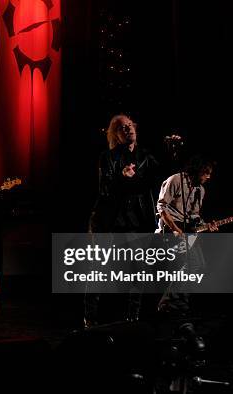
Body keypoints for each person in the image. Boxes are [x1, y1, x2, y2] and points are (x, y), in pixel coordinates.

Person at [86, 115, 159, 324]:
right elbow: (104, 189)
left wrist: (173, 152)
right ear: (116, 135)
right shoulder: (108, 157)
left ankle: (133, 317)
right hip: (110, 221)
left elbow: (158, 179)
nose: (128, 129)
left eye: (130, 125)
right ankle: (90, 318)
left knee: (138, 271)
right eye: (122, 128)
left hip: (136, 221)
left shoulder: (146, 157)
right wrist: (122, 177)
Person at [155, 155, 218, 351]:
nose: (208, 177)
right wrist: (174, 228)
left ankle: (175, 303)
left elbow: (194, 216)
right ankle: (171, 304)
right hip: (171, 231)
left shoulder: (201, 190)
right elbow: (161, 207)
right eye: (206, 172)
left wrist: (208, 225)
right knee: (187, 265)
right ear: (197, 169)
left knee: (198, 266)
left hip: (189, 233)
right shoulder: (176, 180)